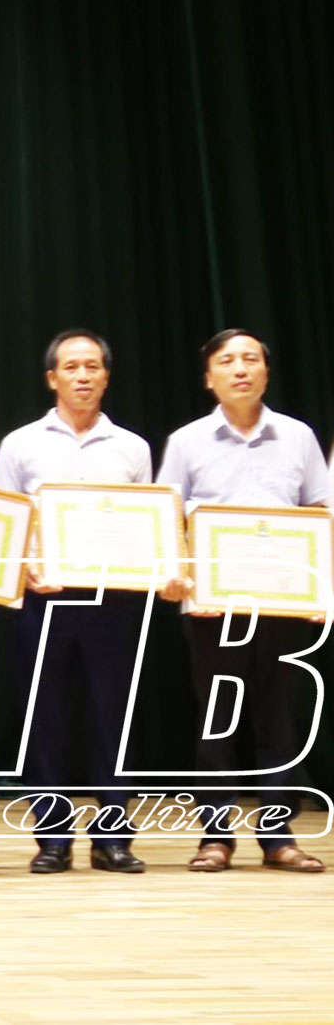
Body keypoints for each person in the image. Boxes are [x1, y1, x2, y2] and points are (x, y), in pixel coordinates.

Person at [152, 329, 326, 873]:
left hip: (282, 603)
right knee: (217, 721)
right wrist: (179, 576)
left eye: (251, 359)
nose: (240, 369)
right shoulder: (187, 441)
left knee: (279, 720)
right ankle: (215, 836)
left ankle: (278, 838)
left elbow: (320, 512)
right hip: (212, 606)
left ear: (266, 372)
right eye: (227, 361)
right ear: (209, 378)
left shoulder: (297, 436)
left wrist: (321, 589)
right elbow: (164, 517)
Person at [0, 329, 154, 874]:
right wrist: (25, 568)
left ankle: (114, 839)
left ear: (106, 376)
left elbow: (148, 528)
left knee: (114, 720)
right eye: (71, 367)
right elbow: (7, 526)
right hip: (45, 601)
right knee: (45, 719)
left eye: (92, 366)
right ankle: (52, 839)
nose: (82, 376)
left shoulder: (132, 447)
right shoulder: (20, 444)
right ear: (52, 378)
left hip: (114, 601)